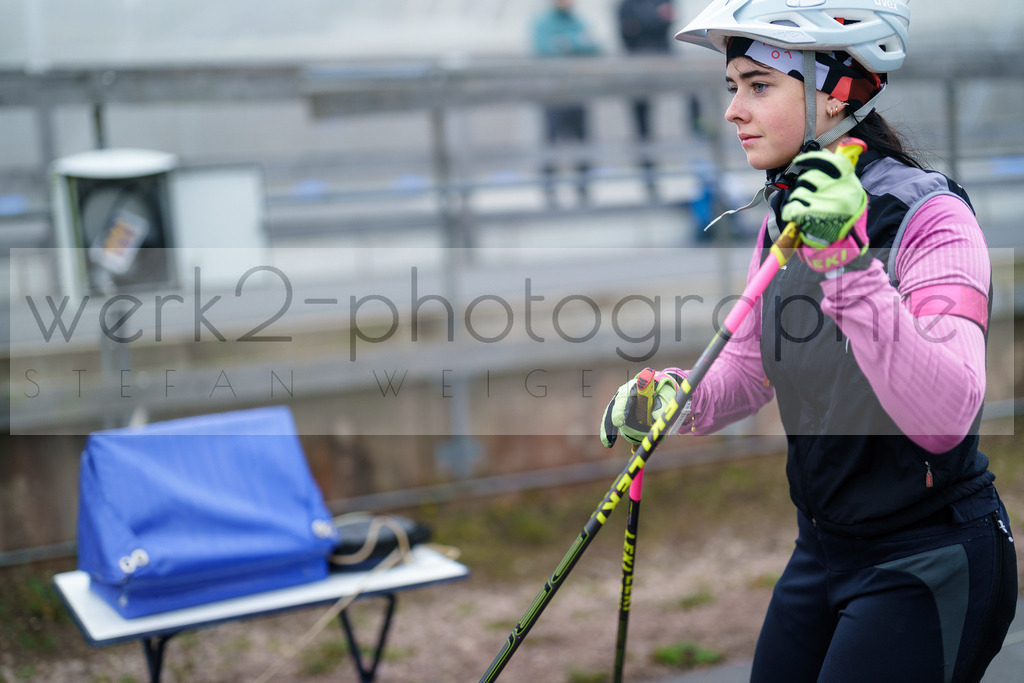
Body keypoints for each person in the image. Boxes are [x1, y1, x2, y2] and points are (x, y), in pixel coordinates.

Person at [599, 1, 1018, 681]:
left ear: (835, 89)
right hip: (824, 548)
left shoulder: (930, 218)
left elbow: (947, 419)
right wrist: (679, 396)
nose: (735, 109)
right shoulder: (785, 219)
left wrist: (848, 270)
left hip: (929, 552)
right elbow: (749, 362)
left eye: (759, 86)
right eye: (732, 86)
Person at [532, 0, 600, 206]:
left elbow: (595, 47)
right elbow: (545, 49)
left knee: (582, 140)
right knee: (551, 141)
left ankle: (584, 187)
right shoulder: (543, 22)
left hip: (578, 92)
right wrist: (576, 44)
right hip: (554, 93)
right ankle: (549, 188)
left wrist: (565, 43)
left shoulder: (578, 20)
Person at [616, 0, 675, 198]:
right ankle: (649, 176)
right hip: (637, 72)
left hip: (668, 69)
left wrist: (643, 24)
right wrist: (654, 20)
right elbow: (627, 33)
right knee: (643, 127)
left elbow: (668, 24)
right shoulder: (626, 5)